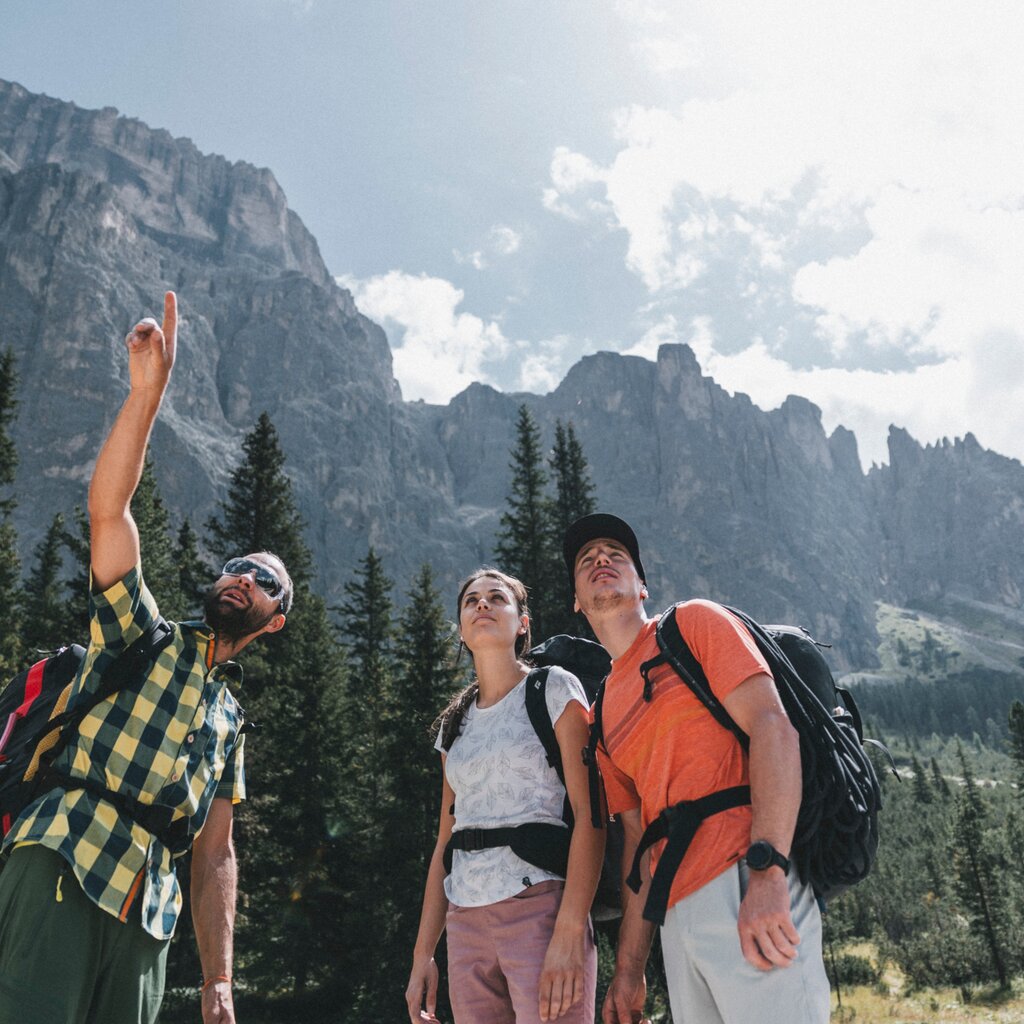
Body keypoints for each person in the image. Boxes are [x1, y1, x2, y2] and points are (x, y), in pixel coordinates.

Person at [0, 293, 293, 1024]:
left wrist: (219, 977)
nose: (241, 576)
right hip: (64, 854)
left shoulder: (230, 721)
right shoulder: (143, 633)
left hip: (148, 913)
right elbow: (109, 512)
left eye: (263, 579)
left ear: (276, 620)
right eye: (235, 565)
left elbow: (217, 854)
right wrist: (146, 396)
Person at [563, 513, 830, 1024]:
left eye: (616, 555)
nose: (601, 559)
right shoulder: (602, 717)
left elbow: (773, 728)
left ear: (641, 585)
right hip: (677, 920)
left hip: (746, 877)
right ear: (576, 599)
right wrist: (629, 969)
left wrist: (769, 872)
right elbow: (637, 844)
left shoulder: (693, 625)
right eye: (586, 560)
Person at [406, 567, 604, 1024]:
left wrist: (571, 929)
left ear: (522, 624)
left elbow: (591, 814)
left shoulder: (553, 688)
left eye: (497, 598)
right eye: (471, 600)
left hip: (540, 907)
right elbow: (445, 844)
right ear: (461, 628)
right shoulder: (454, 724)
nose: (482, 604)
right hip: (464, 923)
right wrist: (422, 956)